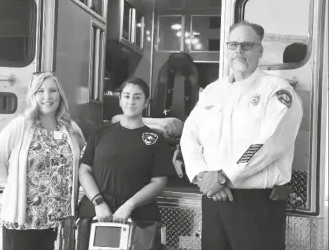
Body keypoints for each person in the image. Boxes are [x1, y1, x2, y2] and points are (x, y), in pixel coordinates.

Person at [180, 21, 303, 250]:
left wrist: (224, 177)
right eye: (233, 44)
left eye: (247, 45)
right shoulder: (212, 91)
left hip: (257, 206)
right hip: (214, 201)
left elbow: (268, 142)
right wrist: (202, 174)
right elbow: (189, 134)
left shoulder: (277, 90)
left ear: (260, 50)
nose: (239, 51)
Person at [0, 71, 85, 250]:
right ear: (33, 95)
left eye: (52, 90)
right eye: (40, 91)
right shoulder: (20, 126)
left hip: (61, 221)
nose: (47, 96)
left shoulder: (71, 128)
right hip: (25, 221)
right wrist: (13, 184)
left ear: (60, 95)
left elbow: (82, 162)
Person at [78, 77, 176, 223]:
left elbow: (158, 182)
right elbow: (84, 170)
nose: (131, 102)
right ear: (120, 100)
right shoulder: (100, 131)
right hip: (96, 212)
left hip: (138, 215)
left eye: (137, 97)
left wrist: (129, 206)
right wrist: (98, 203)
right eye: (127, 96)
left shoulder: (156, 139)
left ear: (146, 102)